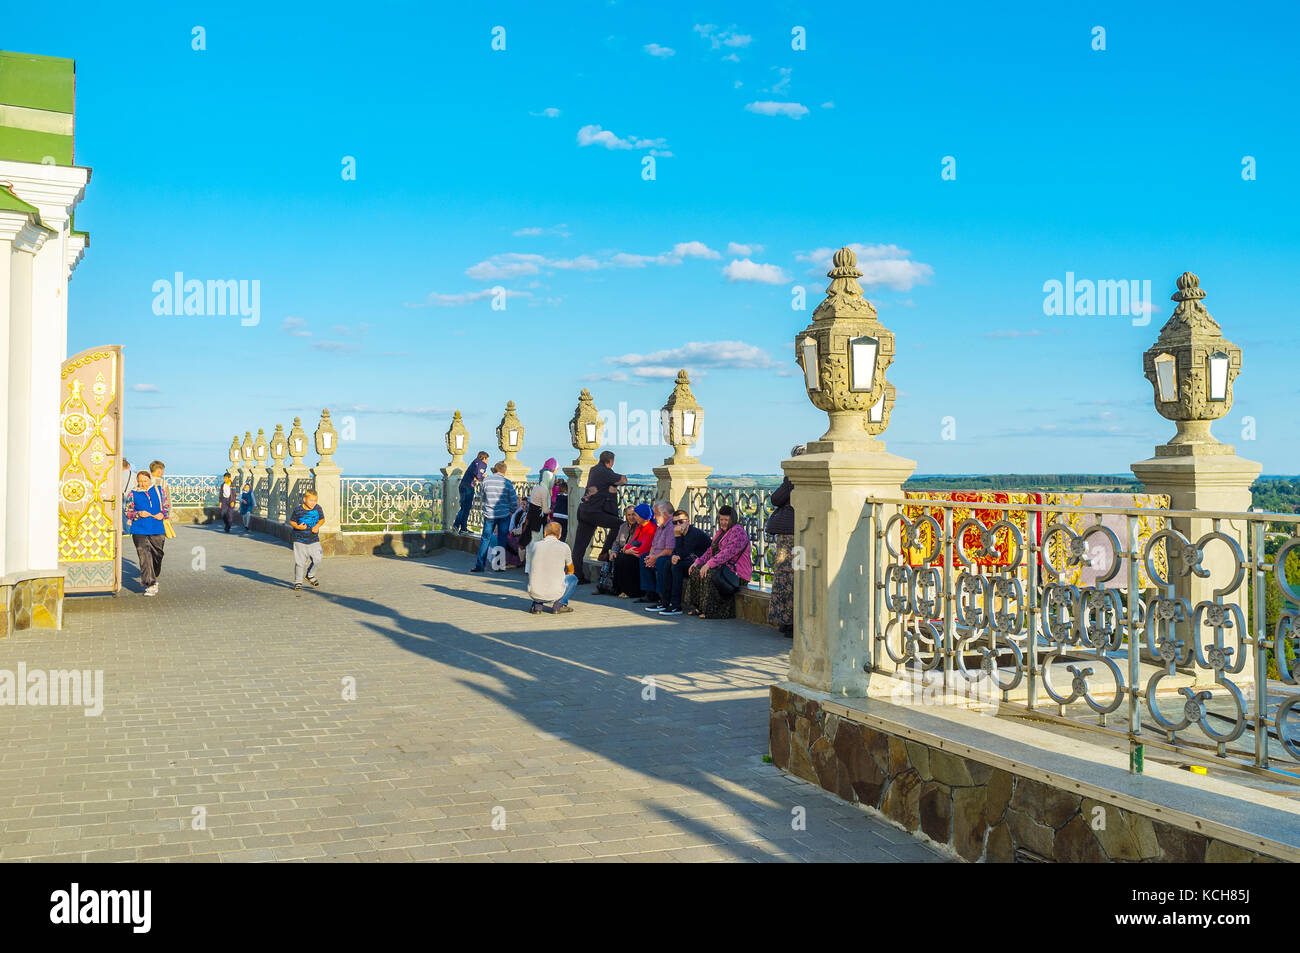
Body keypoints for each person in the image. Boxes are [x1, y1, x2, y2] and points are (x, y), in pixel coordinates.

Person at [683, 505, 753, 620]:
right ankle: (699, 606)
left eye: (726, 520)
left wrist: (708, 564)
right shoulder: (721, 532)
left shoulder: (738, 532)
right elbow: (711, 550)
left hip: (737, 574)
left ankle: (713, 611)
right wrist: (698, 562)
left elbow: (727, 552)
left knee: (710, 573)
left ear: (732, 519)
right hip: (724, 568)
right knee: (696, 570)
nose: (723, 522)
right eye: (721, 519)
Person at [766, 446, 805, 637]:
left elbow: (776, 499)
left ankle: (787, 621)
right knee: (799, 577)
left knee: (785, 577)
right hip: (806, 531)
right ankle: (794, 620)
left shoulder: (792, 478)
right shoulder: (811, 475)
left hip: (789, 535)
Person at [571, 450, 627, 583]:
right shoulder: (605, 472)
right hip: (595, 512)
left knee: (579, 546)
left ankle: (577, 576)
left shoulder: (594, 469)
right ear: (611, 462)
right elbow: (623, 480)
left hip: (584, 510)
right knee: (619, 525)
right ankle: (603, 552)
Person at [657, 510, 711, 616]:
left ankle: (676, 605)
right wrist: (673, 556)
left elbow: (683, 553)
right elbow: (676, 552)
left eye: (680, 521)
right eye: (674, 523)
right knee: (668, 563)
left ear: (688, 521)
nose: (677, 525)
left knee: (677, 566)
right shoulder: (681, 533)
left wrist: (677, 537)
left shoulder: (694, 533)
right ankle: (665, 602)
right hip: (691, 562)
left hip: (702, 564)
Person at [124, 470, 166, 596]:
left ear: (150, 479)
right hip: (139, 528)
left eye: (145, 481)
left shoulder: (159, 490)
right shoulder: (133, 494)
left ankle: (154, 573)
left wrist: (162, 514)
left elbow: (166, 506)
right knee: (144, 554)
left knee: (157, 554)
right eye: (140, 481)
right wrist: (138, 514)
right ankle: (150, 583)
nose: (143, 484)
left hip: (157, 528)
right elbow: (128, 511)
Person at [471, 461, 517, 573]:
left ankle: (480, 565)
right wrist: (511, 510)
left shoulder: (486, 481)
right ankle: (499, 565)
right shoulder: (508, 483)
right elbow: (514, 501)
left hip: (489, 514)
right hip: (504, 514)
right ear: (504, 472)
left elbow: (482, 496)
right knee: (502, 539)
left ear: (495, 470)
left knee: (485, 539)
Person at [526, 521, 578, 614]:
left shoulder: (535, 545)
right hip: (555, 593)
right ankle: (559, 605)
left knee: (539, 574)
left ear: (545, 533)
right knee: (573, 578)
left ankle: (537, 607)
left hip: (534, 592)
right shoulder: (564, 546)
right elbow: (571, 570)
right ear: (559, 535)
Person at [610, 503, 655, 597]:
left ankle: (632, 591)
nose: (634, 517)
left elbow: (642, 549)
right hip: (632, 553)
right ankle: (620, 589)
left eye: (635, 515)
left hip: (643, 555)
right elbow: (630, 544)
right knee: (620, 557)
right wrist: (626, 550)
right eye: (630, 515)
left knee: (627, 559)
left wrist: (627, 549)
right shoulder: (639, 527)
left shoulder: (651, 528)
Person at [638, 502, 677, 610]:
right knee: (643, 558)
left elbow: (669, 550)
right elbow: (653, 545)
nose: (654, 517)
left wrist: (655, 558)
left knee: (661, 561)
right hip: (658, 555)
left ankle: (663, 598)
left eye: (656, 514)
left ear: (664, 514)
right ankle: (650, 593)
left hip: (668, 557)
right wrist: (651, 556)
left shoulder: (671, 525)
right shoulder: (661, 526)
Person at [288, 489, 325, 591]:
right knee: (300, 562)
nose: (313, 503)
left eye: (315, 501)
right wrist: (298, 527)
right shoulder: (298, 510)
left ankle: (310, 575)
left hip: (314, 539)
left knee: (318, 559)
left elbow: (322, 519)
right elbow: (292, 521)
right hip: (299, 540)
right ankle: (298, 582)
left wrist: (317, 526)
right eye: (311, 500)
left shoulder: (318, 508)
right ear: (305, 499)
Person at [519, 457, 558, 553]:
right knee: (537, 543)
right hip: (539, 519)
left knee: (531, 543)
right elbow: (545, 509)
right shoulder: (545, 489)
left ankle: (529, 566)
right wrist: (551, 510)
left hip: (532, 517)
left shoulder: (537, 486)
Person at [597, 505, 638, 594]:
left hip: (631, 552)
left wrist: (623, 550)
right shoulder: (623, 526)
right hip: (621, 551)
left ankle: (616, 588)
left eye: (633, 514)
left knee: (621, 559)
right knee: (609, 558)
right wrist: (613, 551)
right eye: (629, 515)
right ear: (626, 516)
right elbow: (616, 542)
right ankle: (602, 586)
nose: (631, 517)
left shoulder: (639, 527)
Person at [453, 451, 490, 533]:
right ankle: (457, 525)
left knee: (464, 507)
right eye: (487, 459)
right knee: (466, 508)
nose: (487, 461)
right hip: (469, 487)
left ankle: (462, 528)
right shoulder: (482, 464)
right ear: (484, 458)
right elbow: (479, 476)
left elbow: (475, 475)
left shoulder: (474, 462)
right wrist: (485, 477)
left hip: (462, 485)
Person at [148, 460, 172, 583]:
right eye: (162, 470)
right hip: (159, 518)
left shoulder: (144, 481)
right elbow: (167, 501)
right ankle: (155, 569)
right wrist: (167, 516)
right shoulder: (163, 483)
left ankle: (150, 567)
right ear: (159, 470)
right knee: (159, 545)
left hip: (146, 518)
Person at [120, 458, 133, 534]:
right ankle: (131, 530)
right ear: (128, 466)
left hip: (123, 495)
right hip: (132, 495)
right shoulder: (134, 474)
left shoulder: (119, 475)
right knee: (131, 513)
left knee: (124, 514)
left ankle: (127, 530)